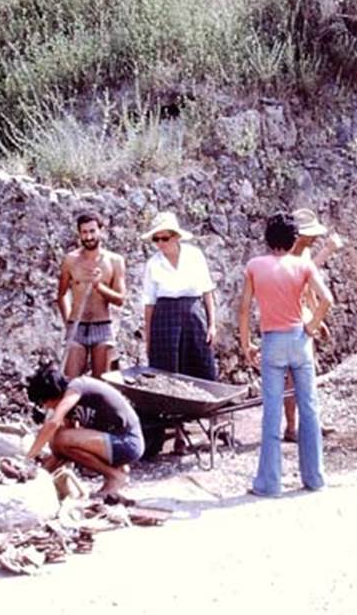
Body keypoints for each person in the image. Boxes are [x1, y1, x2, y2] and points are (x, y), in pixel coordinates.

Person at [239, 212, 333, 496]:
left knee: (271, 410)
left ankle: (269, 483)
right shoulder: (302, 266)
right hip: (300, 339)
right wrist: (312, 326)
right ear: (294, 241)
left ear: (268, 240)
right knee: (309, 407)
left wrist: (246, 345)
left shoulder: (255, 266)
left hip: (271, 341)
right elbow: (327, 299)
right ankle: (314, 478)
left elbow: (244, 309)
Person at [140, 211, 218, 454]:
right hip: (165, 317)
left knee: (200, 369)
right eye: (157, 240)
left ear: (176, 237)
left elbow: (207, 292)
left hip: (193, 315)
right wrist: (149, 337)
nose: (161, 244)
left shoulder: (195, 256)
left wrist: (213, 324)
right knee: (169, 376)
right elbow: (149, 304)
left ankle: (212, 427)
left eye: (165, 238)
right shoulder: (153, 265)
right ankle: (179, 437)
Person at [25, 365, 144, 500]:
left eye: (43, 402)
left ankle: (114, 476)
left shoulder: (76, 387)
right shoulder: (69, 405)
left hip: (128, 441)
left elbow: (53, 423)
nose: (46, 407)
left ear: (51, 394)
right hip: (113, 444)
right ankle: (116, 472)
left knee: (59, 437)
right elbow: (63, 452)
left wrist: (27, 459)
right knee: (59, 441)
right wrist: (42, 474)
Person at [282, 208, 344, 443]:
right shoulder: (286, 256)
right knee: (291, 376)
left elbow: (309, 288)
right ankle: (291, 427)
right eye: (310, 234)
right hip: (288, 318)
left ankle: (311, 422)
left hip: (303, 315)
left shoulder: (305, 252)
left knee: (308, 373)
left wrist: (318, 318)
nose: (315, 238)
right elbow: (302, 275)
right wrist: (327, 251)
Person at [56, 212, 126, 379]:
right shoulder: (70, 260)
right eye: (84, 232)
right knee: (71, 384)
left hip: (102, 327)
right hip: (77, 328)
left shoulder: (115, 261)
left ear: (100, 230)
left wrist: (98, 286)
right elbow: (61, 294)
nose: (88, 237)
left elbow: (120, 299)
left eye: (92, 231)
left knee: (102, 385)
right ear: (79, 234)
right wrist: (68, 322)